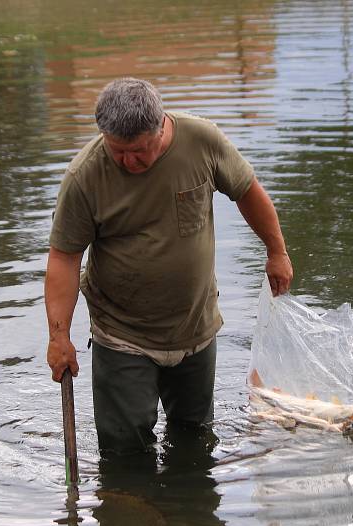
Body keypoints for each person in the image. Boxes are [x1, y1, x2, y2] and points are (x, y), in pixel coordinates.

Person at [45, 77, 292, 455]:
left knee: (195, 439)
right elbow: (64, 258)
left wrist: (277, 252)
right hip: (123, 333)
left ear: (161, 127)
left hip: (195, 328)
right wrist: (59, 336)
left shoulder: (202, 142)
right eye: (118, 151)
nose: (129, 161)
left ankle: (188, 512)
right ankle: (128, 507)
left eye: (139, 150)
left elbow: (248, 191)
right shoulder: (85, 177)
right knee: (124, 449)